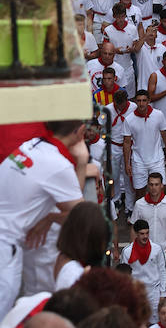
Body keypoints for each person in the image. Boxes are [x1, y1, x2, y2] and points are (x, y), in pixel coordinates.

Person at [0, 120, 87, 319]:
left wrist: (49, 217)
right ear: (81, 131)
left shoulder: (29, 146)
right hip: (5, 248)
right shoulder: (58, 165)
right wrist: (82, 161)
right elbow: (81, 216)